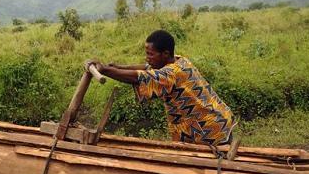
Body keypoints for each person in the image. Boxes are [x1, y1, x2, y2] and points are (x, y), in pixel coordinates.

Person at [91, 29, 235, 146]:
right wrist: (118, 67)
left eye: (151, 54)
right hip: (218, 120)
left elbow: (140, 77)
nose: (147, 58)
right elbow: (147, 68)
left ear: (165, 53)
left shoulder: (171, 74)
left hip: (211, 129)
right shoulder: (179, 60)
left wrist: (106, 70)